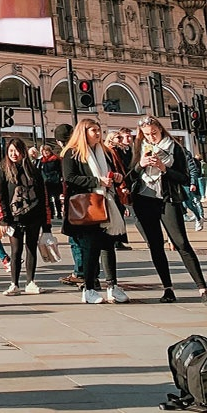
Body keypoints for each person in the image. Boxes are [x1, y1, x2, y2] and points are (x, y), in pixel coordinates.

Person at [130, 116, 207, 305]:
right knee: (155, 244)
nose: (151, 137)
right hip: (144, 199)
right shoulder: (138, 147)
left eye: (154, 132)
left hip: (168, 198)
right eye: (147, 134)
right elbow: (130, 175)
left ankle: (203, 289)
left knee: (181, 242)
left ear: (160, 129)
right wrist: (141, 165)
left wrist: (163, 168)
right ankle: (167, 288)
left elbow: (185, 178)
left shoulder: (174, 147)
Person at [60, 119, 128, 305]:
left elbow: (110, 173)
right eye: (94, 130)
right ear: (84, 132)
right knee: (90, 249)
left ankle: (112, 286)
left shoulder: (103, 152)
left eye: (99, 130)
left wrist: (116, 177)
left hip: (106, 203)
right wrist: (96, 181)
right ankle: (88, 288)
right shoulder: (72, 153)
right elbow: (70, 178)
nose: (98, 134)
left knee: (108, 246)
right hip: (87, 207)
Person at [0, 137, 51, 296]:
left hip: (33, 216)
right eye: (11, 151)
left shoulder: (34, 170)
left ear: (23, 151)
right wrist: (3, 219)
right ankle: (14, 284)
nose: (14, 154)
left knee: (31, 248)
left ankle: (30, 282)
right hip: (14, 219)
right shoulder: (3, 170)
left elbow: (43, 195)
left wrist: (47, 224)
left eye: (16, 150)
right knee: (16, 250)